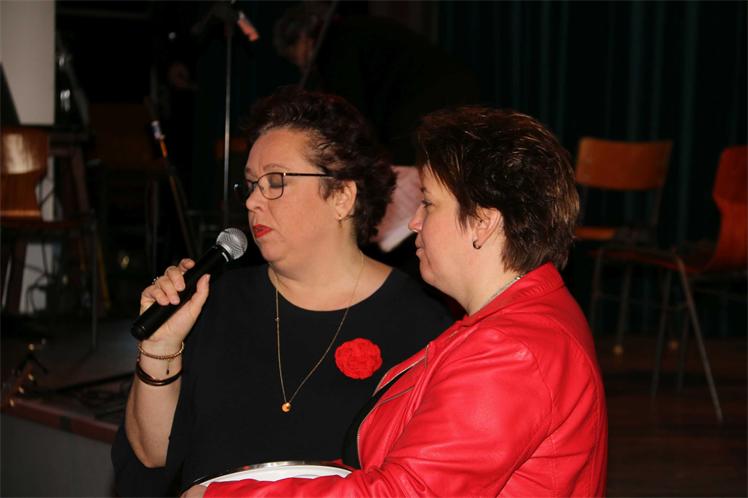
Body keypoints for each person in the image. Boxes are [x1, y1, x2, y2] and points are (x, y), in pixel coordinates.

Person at [184, 106, 608, 497]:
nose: (415, 221)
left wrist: (219, 495)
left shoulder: (510, 351)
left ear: (483, 223)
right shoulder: (508, 323)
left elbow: (403, 494)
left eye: (429, 203)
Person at [111, 88, 453, 496]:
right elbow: (152, 456)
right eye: (250, 185)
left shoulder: (420, 324)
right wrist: (160, 347)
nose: (253, 202)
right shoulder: (212, 302)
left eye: (275, 181)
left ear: (341, 196)